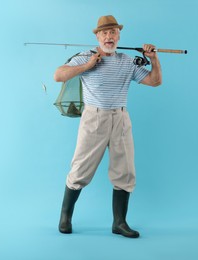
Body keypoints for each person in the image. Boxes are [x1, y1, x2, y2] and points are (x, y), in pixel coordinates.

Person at [53, 15, 162, 238]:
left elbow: (154, 81)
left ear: (119, 35)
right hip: (94, 118)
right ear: (97, 36)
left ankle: (119, 223)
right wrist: (88, 65)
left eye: (112, 32)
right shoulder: (85, 56)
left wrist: (154, 59)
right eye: (104, 33)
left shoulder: (127, 61)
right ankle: (65, 218)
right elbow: (58, 75)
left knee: (125, 171)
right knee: (80, 168)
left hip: (121, 118)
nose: (109, 36)